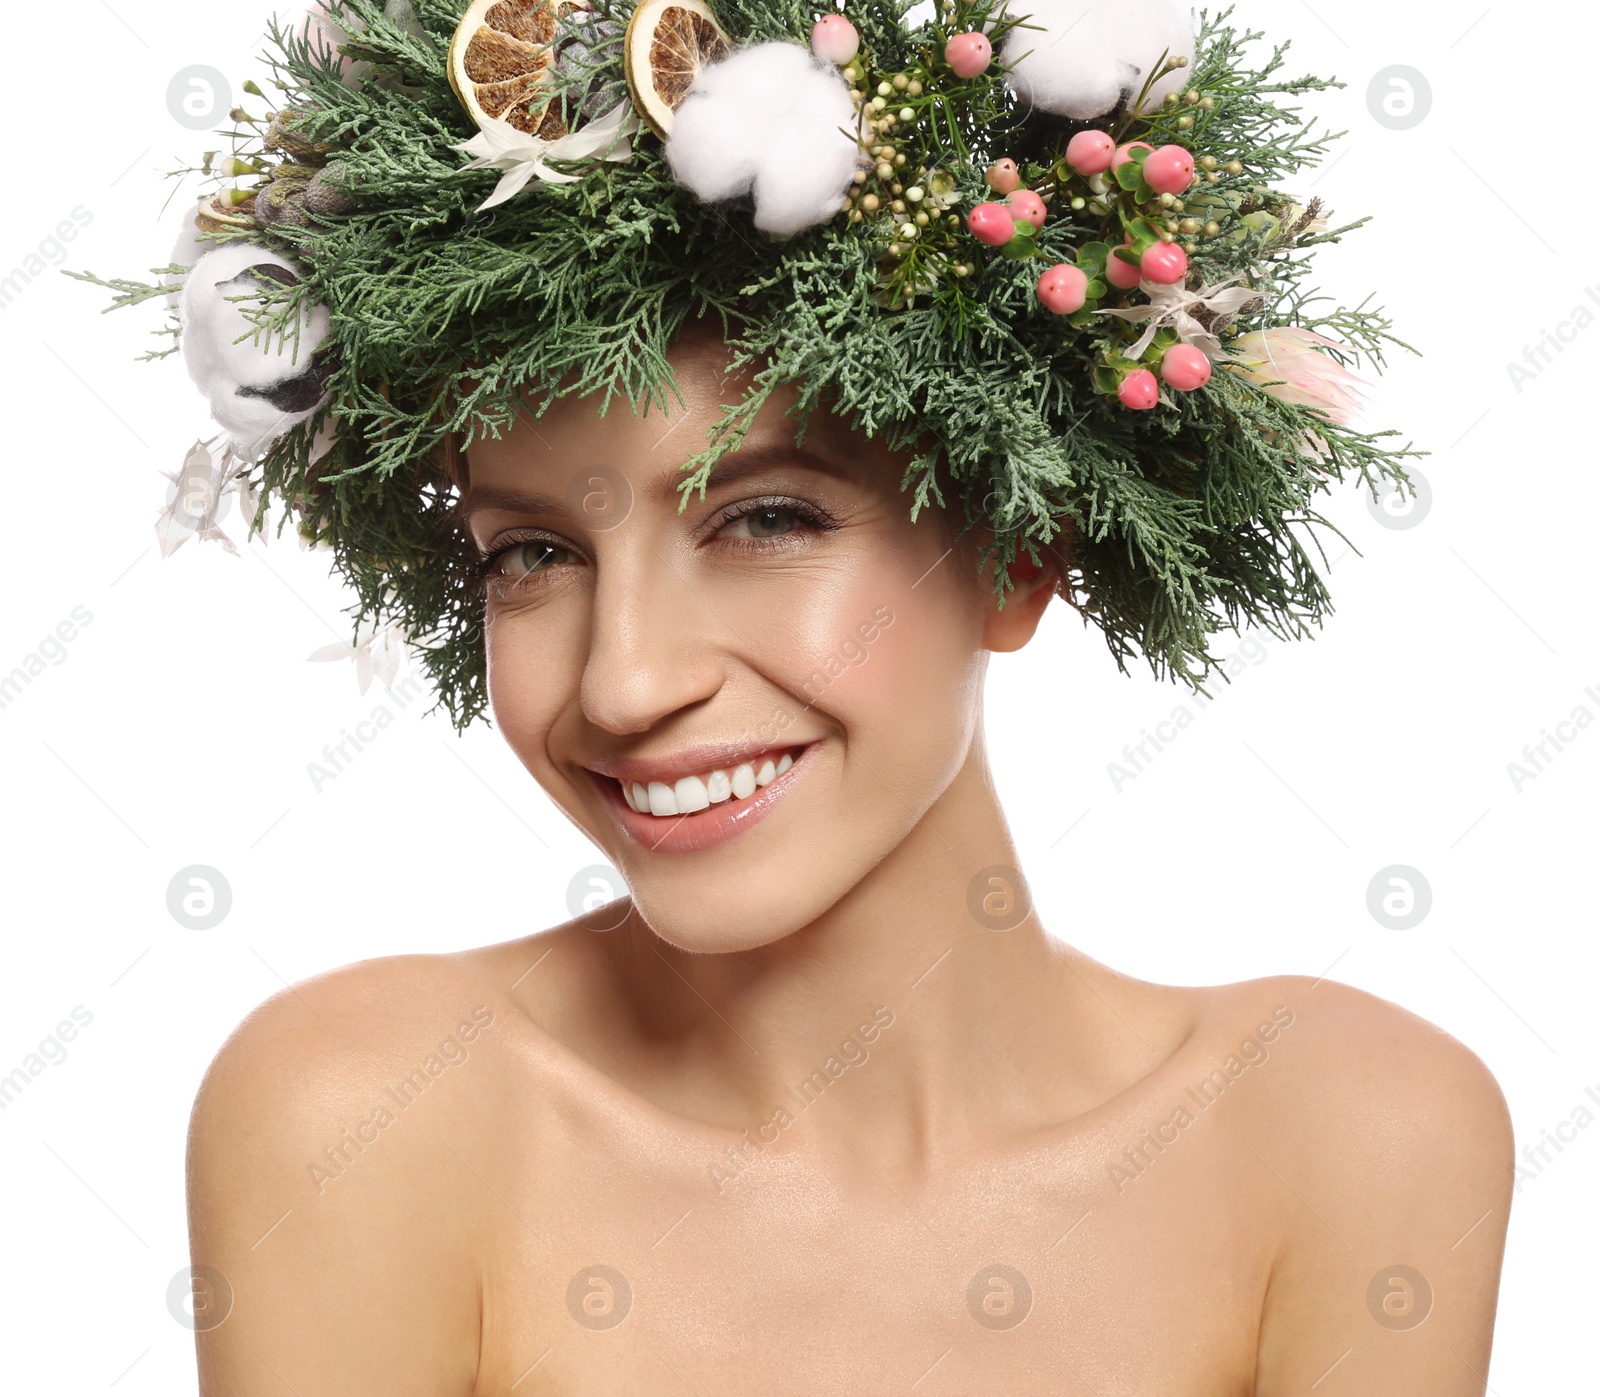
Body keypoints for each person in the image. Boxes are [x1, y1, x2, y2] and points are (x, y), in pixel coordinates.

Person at [88, 1, 1511, 1390]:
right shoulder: (369, 1124)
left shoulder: (1350, 1138)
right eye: (532, 553)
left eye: (762, 519)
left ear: (1017, 551)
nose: (627, 681)